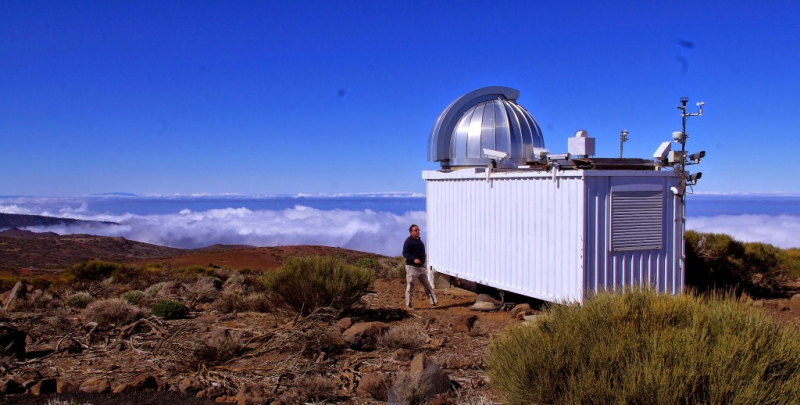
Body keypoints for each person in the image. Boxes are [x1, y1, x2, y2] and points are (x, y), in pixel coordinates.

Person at [402, 224, 437, 309]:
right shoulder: (409, 241)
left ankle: (434, 302)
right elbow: (405, 253)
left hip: (421, 267)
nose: (418, 232)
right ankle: (408, 305)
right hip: (412, 267)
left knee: (427, 285)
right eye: (416, 230)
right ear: (411, 232)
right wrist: (414, 259)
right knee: (410, 285)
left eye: (418, 230)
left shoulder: (419, 241)